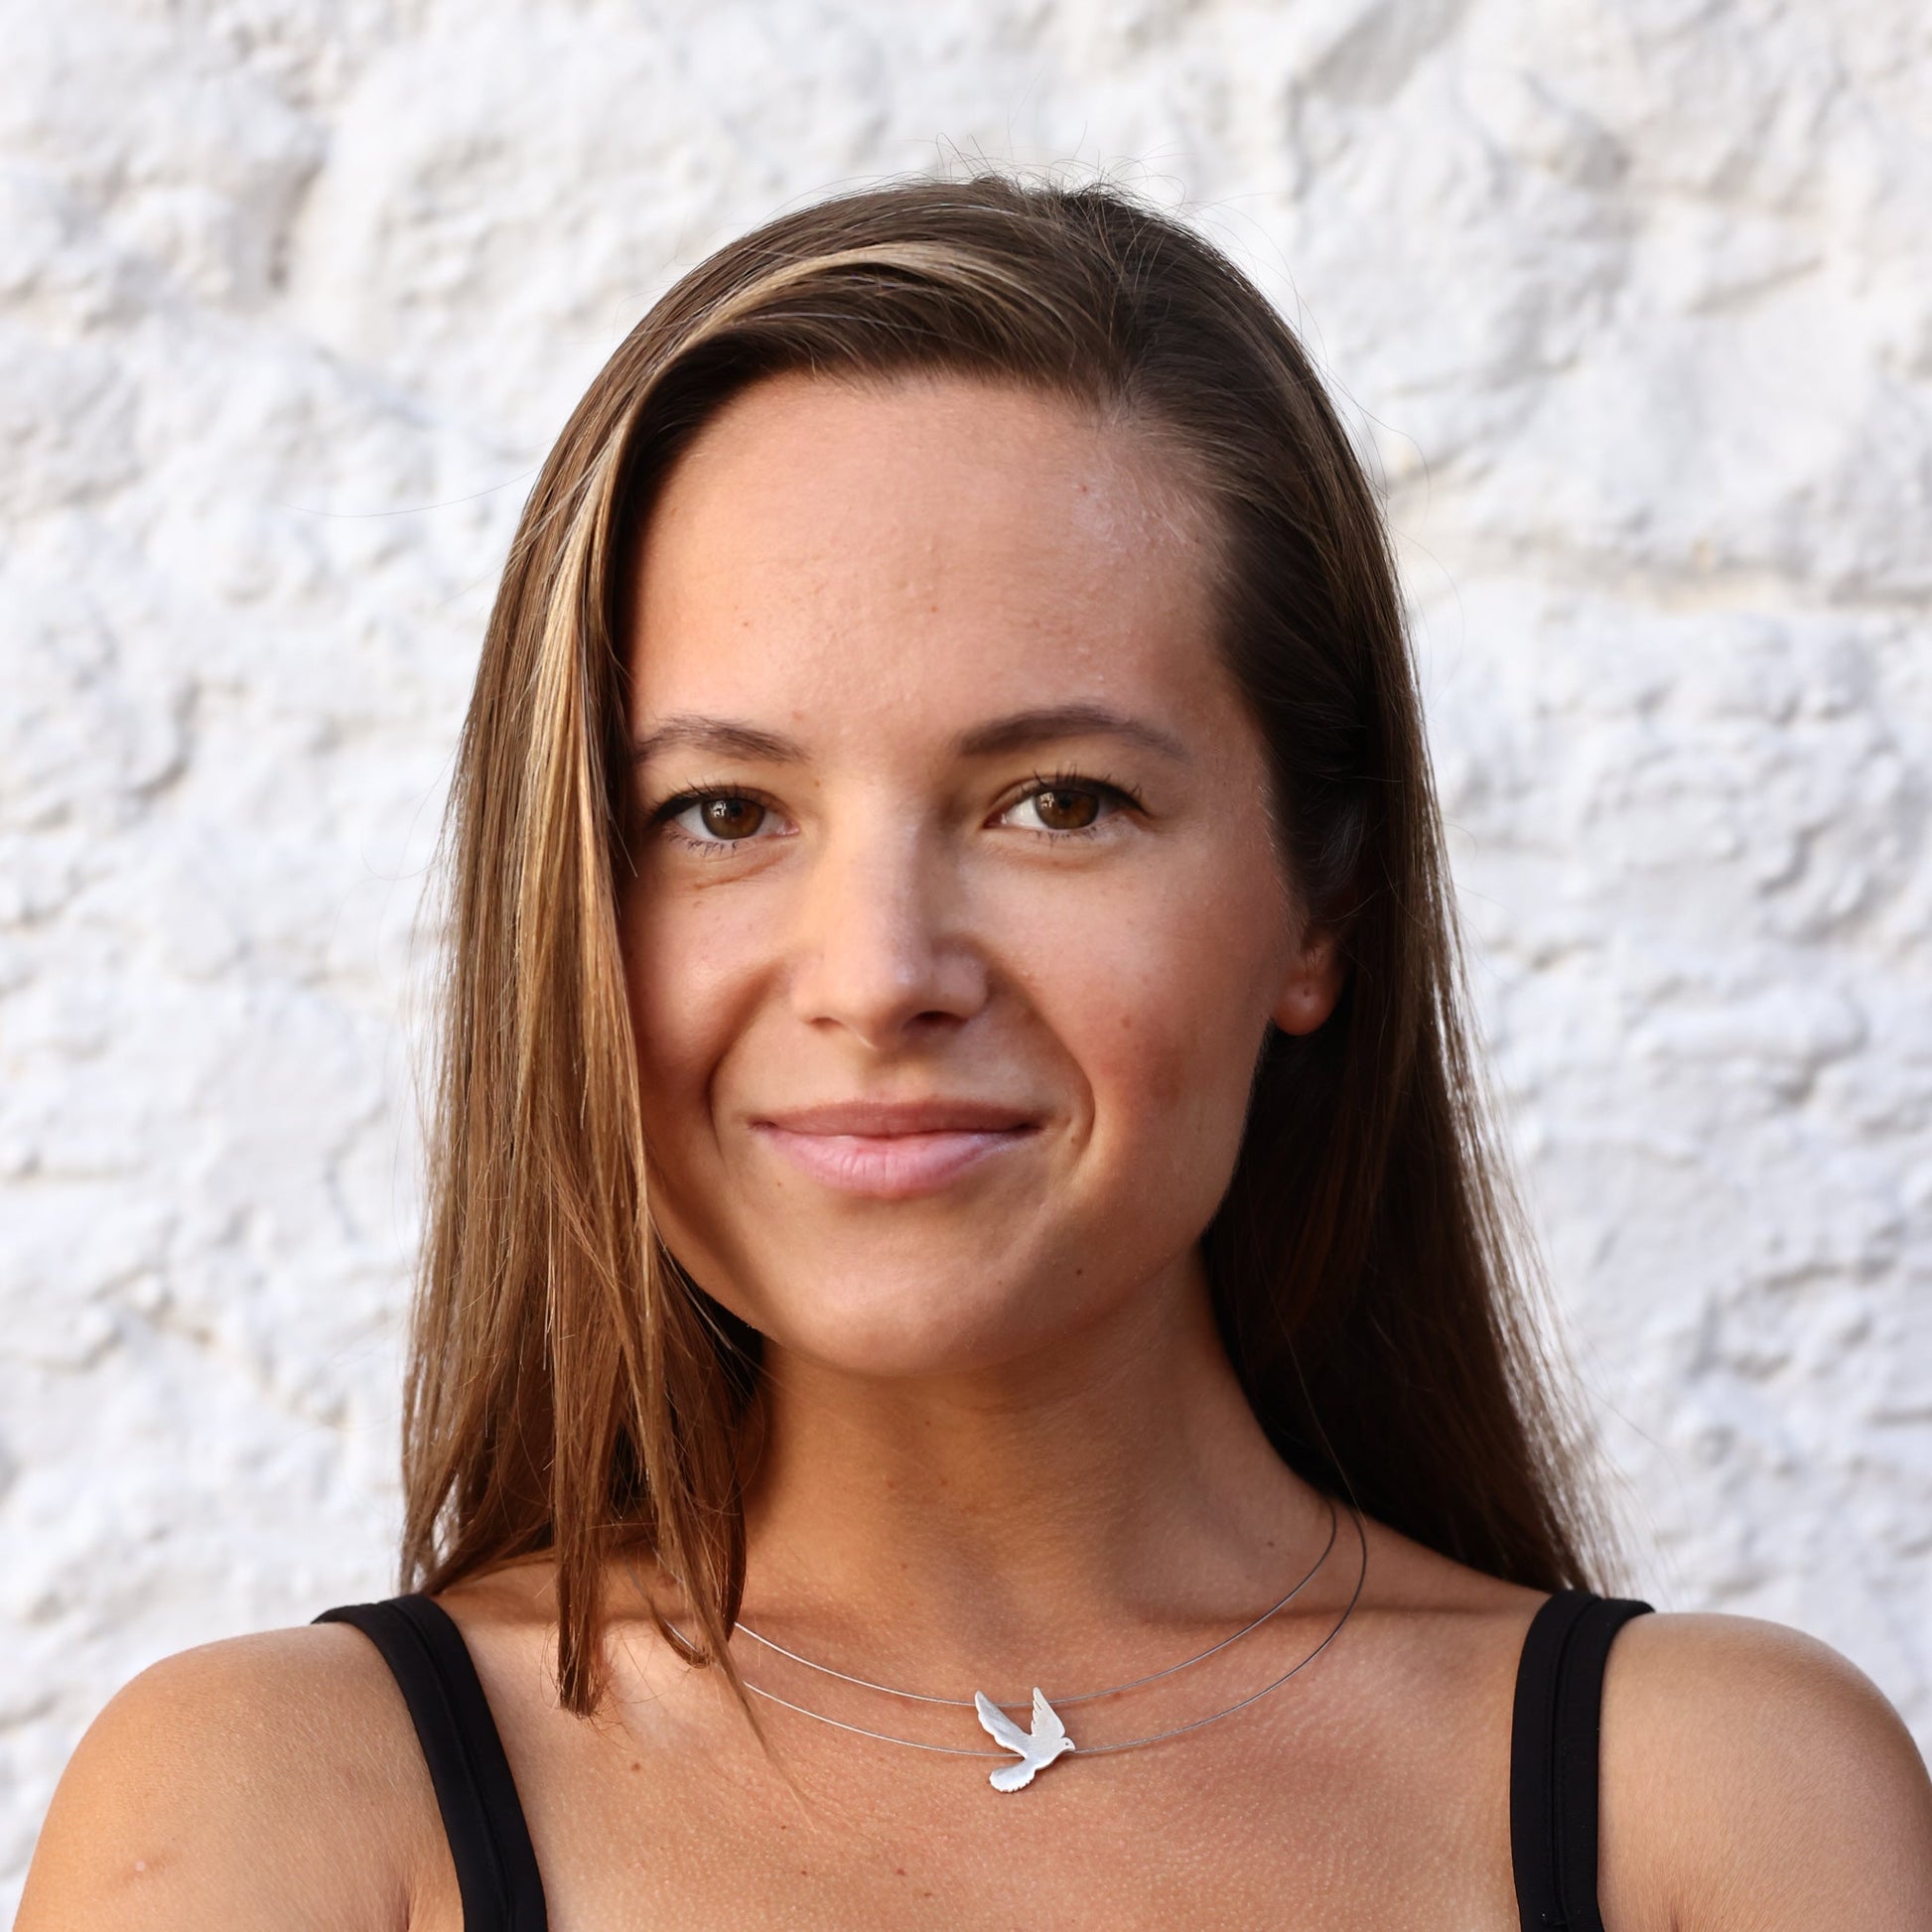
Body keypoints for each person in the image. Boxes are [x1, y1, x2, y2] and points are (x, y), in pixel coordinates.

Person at [19, 176, 1932, 1931]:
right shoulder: (283, 1811)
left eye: (1057, 801)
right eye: (717, 812)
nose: (877, 975)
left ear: (1320, 906)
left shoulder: (1710, 1812)